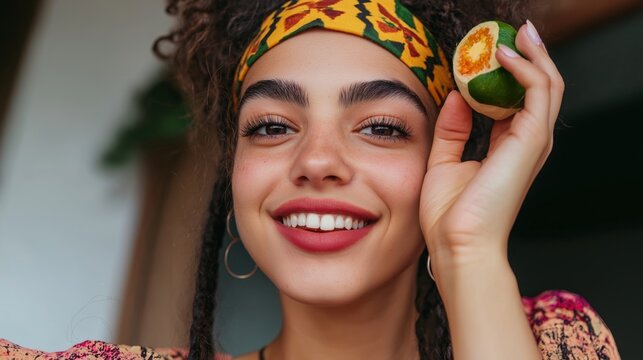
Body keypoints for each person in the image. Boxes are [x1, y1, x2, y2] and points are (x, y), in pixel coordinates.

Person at [1, 0, 621, 359]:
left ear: (450, 159)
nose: (315, 160)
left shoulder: (554, 343)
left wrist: (469, 253)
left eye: (380, 126)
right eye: (272, 127)